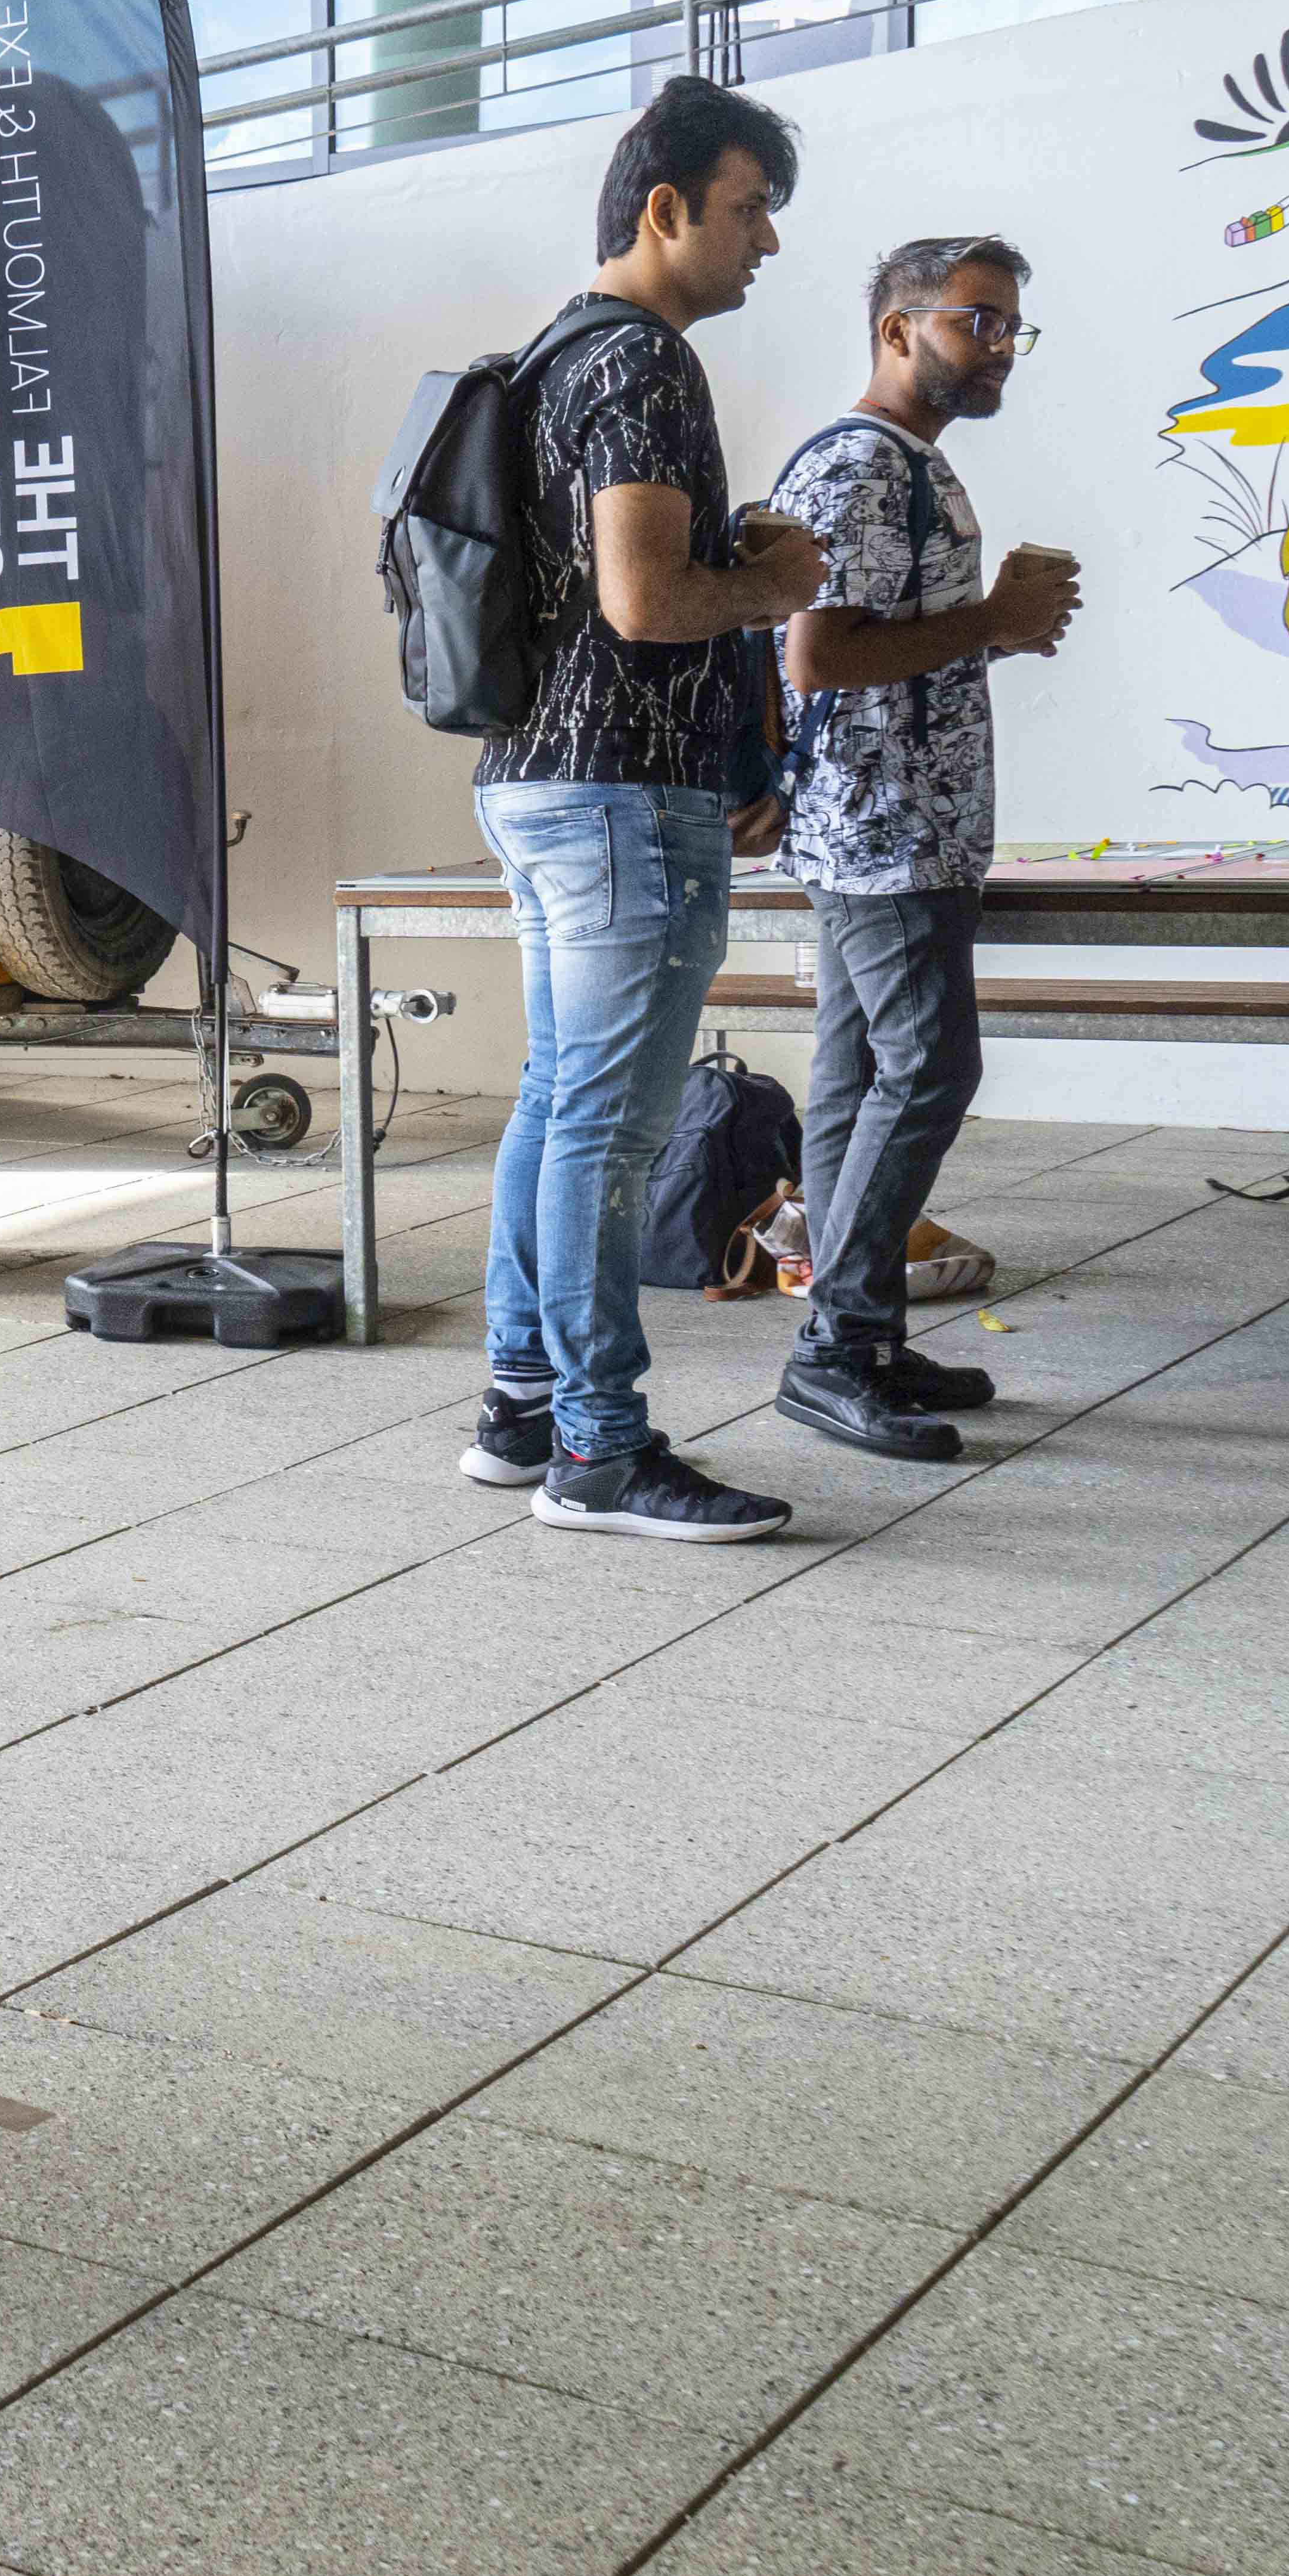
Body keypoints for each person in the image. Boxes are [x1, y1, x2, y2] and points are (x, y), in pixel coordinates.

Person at [456, 76, 827, 1541]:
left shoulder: (557, 356)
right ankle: (599, 1449)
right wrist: (776, 585)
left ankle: (520, 1404)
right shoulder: (645, 366)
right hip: (620, 794)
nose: (767, 243)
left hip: (541, 778)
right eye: (751, 211)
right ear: (666, 209)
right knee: (607, 1132)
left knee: (561, 1106)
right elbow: (646, 601)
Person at [764, 236, 1085, 1463]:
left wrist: (995, 630)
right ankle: (837, 1350)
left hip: (901, 825)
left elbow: (879, 649)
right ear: (899, 329)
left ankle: (863, 1336)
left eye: (1011, 326)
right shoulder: (861, 465)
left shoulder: (907, 463)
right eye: (976, 320)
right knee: (930, 1072)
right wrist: (990, 617)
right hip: (884, 833)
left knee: (856, 1083)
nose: (1000, 346)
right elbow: (819, 659)